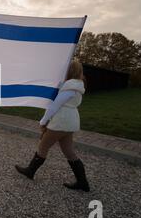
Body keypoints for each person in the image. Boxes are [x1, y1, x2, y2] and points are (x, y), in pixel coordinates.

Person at [15, 61, 90, 192]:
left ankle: (30, 171)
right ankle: (82, 182)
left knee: (43, 146)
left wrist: (43, 121)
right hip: (70, 120)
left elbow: (54, 106)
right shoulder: (77, 86)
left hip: (61, 120)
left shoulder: (69, 87)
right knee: (69, 152)